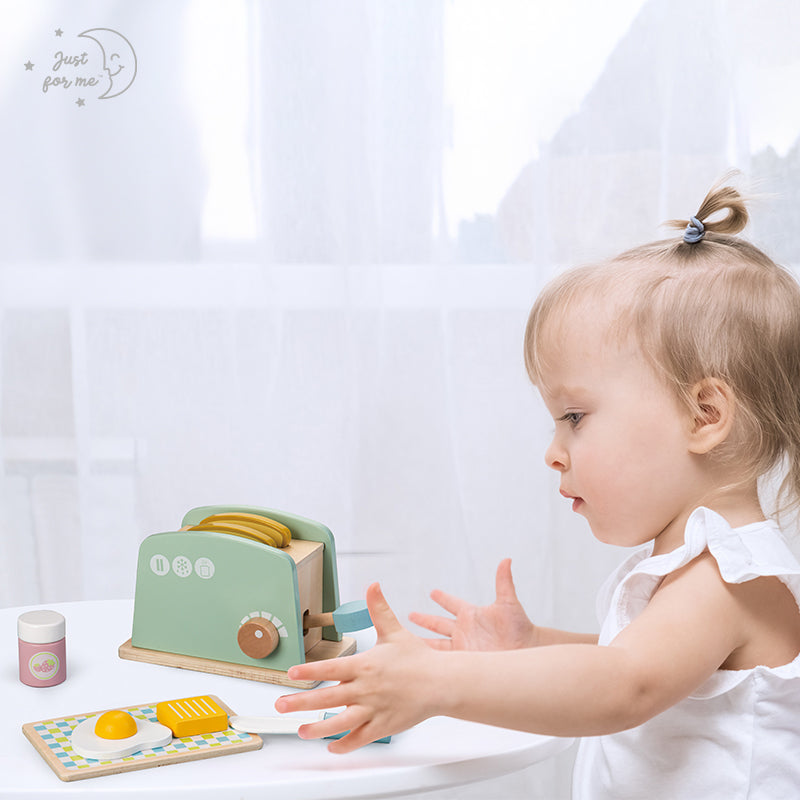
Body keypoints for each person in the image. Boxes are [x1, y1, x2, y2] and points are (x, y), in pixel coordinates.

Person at [276, 177, 800, 799]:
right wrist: (531, 646)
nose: (554, 454)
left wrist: (437, 683)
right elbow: (642, 660)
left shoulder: (730, 575)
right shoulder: (695, 568)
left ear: (704, 415)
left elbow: (625, 683)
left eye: (574, 418)